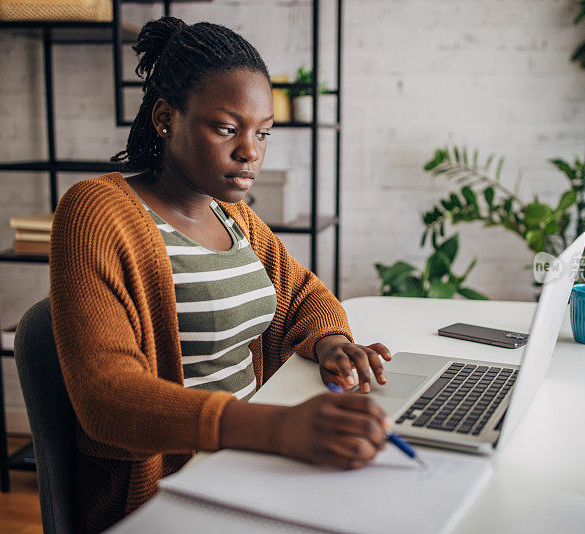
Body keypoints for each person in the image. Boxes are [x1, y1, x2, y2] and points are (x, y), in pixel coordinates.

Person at [50, 17, 392, 533]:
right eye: (227, 128)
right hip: (168, 488)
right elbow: (107, 396)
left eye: (263, 133)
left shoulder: (233, 215)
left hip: (248, 459)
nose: (250, 150)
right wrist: (277, 428)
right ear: (165, 118)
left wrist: (332, 342)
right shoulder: (97, 213)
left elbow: (302, 294)